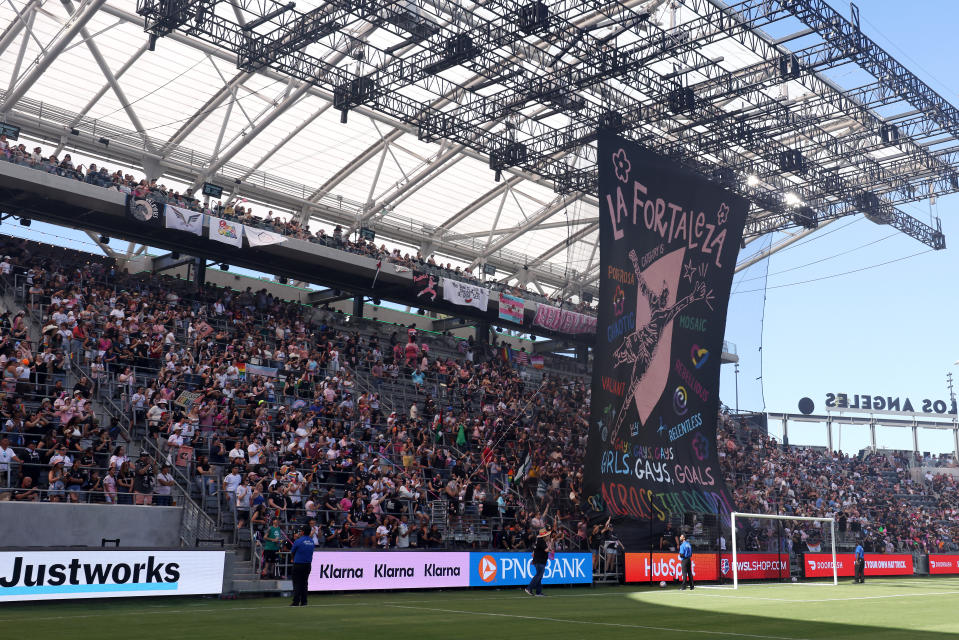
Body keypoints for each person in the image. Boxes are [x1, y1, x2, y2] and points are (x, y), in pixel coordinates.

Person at [290, 523, 315, 607]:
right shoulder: (312, 541)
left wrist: (293, 558)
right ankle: (304, 602)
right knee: (304, 583)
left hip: (298, 564)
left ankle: (296, 601)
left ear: (303, 532)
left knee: (297, 583)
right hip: (308, 564)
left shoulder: (298, 541)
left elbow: (292, 552)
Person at [525, 527, 551, 597]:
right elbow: (546, 550)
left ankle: (538, 592)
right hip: (540, 561)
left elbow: (533, 553)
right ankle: (529, 588)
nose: (548, 536)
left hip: (538, 560)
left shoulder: (538, 541)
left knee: (539, 576)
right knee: (538, 575)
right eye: (547, 535)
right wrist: (550, 546)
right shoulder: (541, 541)